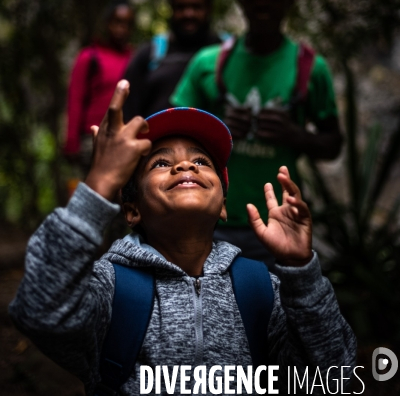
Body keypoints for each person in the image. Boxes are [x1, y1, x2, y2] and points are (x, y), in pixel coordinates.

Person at [9, 81, 356, 395]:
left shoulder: (261, 289)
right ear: (132, 210)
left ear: (223, 205)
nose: (185, 167)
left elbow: (334, 377)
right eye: (160, 163)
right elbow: (40, 311)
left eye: (202, 161)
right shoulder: (110, 287)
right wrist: (98, 187)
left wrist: (301, 270)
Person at [172, 0, 343, 262]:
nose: (262, 3)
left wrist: (295, 135)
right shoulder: (207, 64)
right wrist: (217, 129)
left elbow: (333, 144)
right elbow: (171, 137)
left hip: (279, 223)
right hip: (209, 220)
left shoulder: (310, 68)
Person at [122, 0, 225, 121]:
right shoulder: (151, 54)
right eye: (181, 7)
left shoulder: (226, 53)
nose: (188, 14)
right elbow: (128, 114)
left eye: (196, 7)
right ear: (171, 8)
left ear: (209, 7)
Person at [64, 0, 135, 175]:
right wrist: (72, 142)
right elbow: (76, 98)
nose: (121, 28)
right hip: (94, 138)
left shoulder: (134, 58)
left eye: (127, 23)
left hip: (126, 137)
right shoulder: (89, 56)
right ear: (107, 23)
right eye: (117, 22)